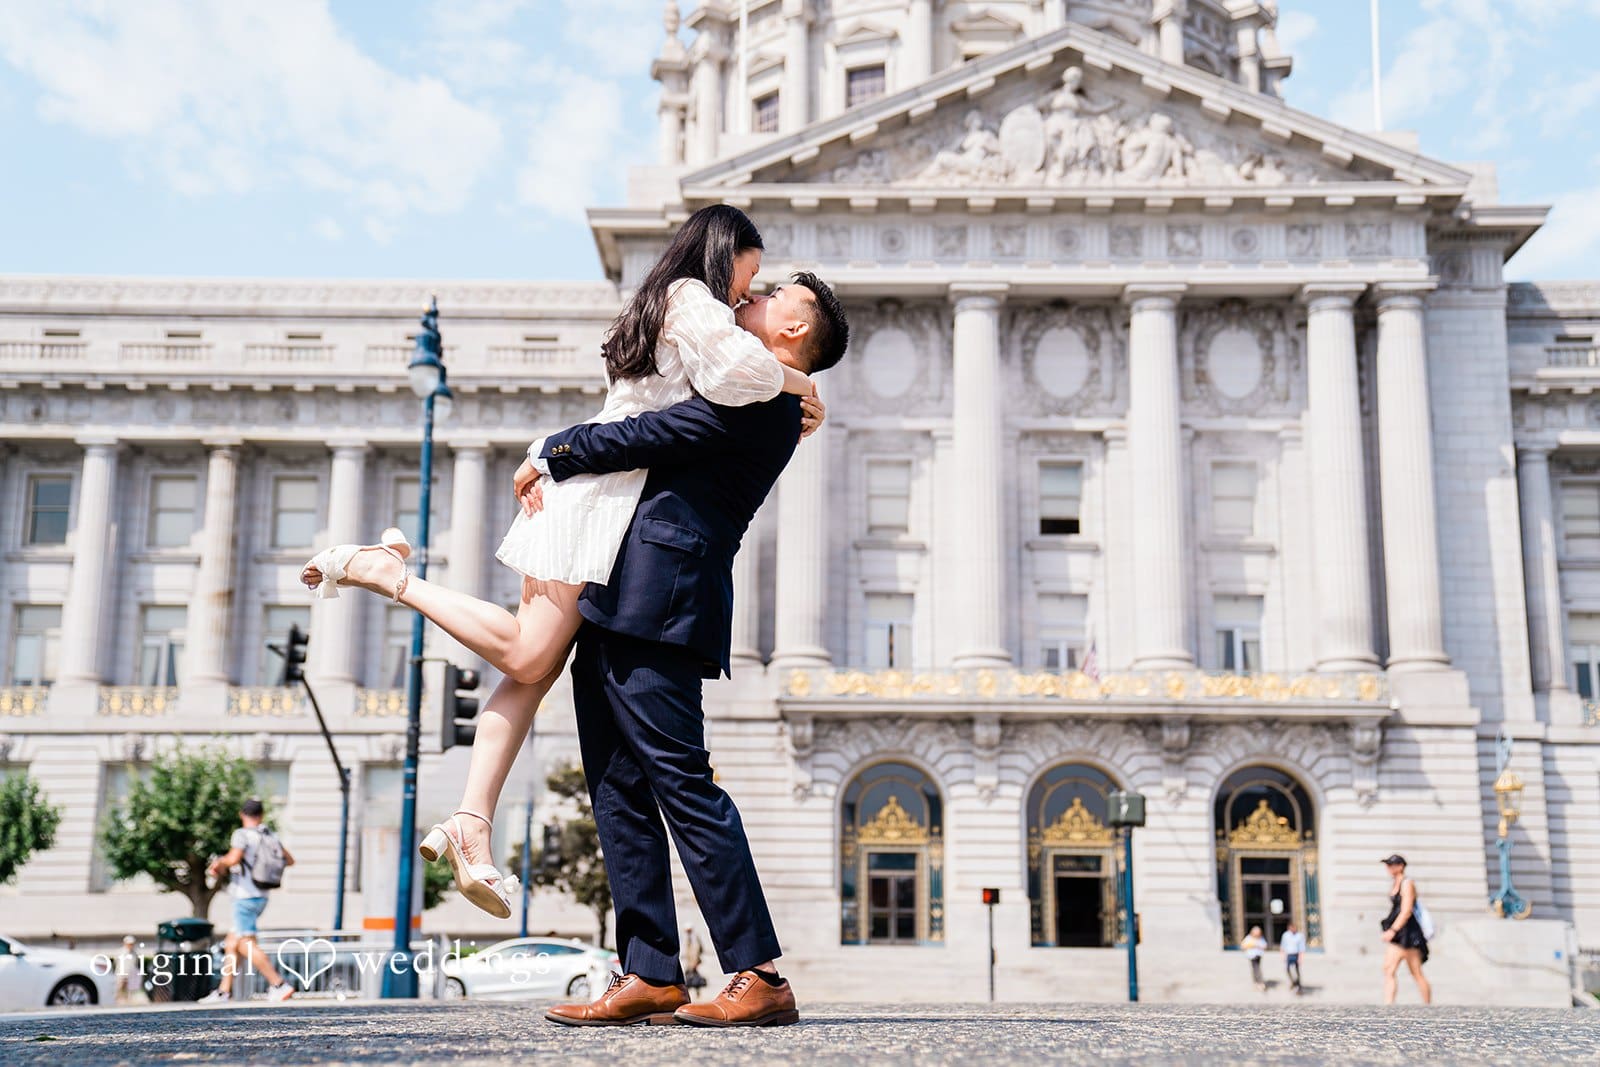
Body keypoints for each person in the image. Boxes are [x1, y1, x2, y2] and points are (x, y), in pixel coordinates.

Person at [299, 204, 826, 920]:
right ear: (722, 251)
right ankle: (389, 573)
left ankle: (471, 822)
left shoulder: (688, 304)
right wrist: (800, 384)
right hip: (595, 497)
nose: (751, 290)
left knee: (531, 670)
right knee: (525, 651)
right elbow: (737, 376)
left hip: (607, 504)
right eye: (752, 271)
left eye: (764, 288)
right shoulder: (691, 299)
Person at [528, 272, 848, 1027]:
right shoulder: (760, 385)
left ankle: (759, 971)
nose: (752, 292)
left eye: (772, 292)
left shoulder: (766, 395)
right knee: (614, 783)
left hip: (664, 600)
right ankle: (647, 970)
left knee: (681, 781)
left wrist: (553, 450)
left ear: (794, 328)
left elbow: (652, 434)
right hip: (621, 592)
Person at [200, 798, 295, 1002]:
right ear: (261, 815)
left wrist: (219, 863)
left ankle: (278, 983)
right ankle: (224, 992)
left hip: (244, 897)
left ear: (242, 814)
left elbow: (233, 859)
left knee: (245, 943)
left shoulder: (242, 835)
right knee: (231, 944)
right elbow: (290, 860)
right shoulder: (270, 835)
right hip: (262, 895)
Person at [1380, 854, 1432, 1004]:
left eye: (1391, 864)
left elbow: (1406, 910)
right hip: (1399, 935)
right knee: (1388, 969)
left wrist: (1393, 930)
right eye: (1387, 865)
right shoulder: (1395, 882)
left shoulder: (1407, 883)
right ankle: (1388, 1004)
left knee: (1416, 973)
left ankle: (1428, 1006)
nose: (1388, 868)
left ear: (1401, 866)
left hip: (1408, 934)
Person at [1279, 921, 1306, 994]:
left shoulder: (1300, 935)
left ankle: (1298, 985)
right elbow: (1283, 945)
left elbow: (1302, 947)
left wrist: (1300, 958)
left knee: (1296, 971)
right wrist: (1283, 955)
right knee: (1288, 969)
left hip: (1296, 954)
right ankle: (1292, 982)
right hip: (1288, 954)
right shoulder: (1286, 935)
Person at [681, 926, 706, 1002]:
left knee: (693, 978)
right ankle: (687, 993)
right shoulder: (687, 938)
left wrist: (696, 961)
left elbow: (699, 949)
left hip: (694, 961)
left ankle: (688, 994)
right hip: (689, 961)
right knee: (689, 977)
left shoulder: (695, 938)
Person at [1240, 925, 1267, 991]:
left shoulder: (1261, 938)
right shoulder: (1248, 938)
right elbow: (1243, 946)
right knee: (1255, 969)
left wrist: (1258, 946)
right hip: (1251, 956)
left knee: (1257, 968)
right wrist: (1252, 945)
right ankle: (1257, 982)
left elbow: (1265, 946)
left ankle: (1259, 982)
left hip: (1258, 955)